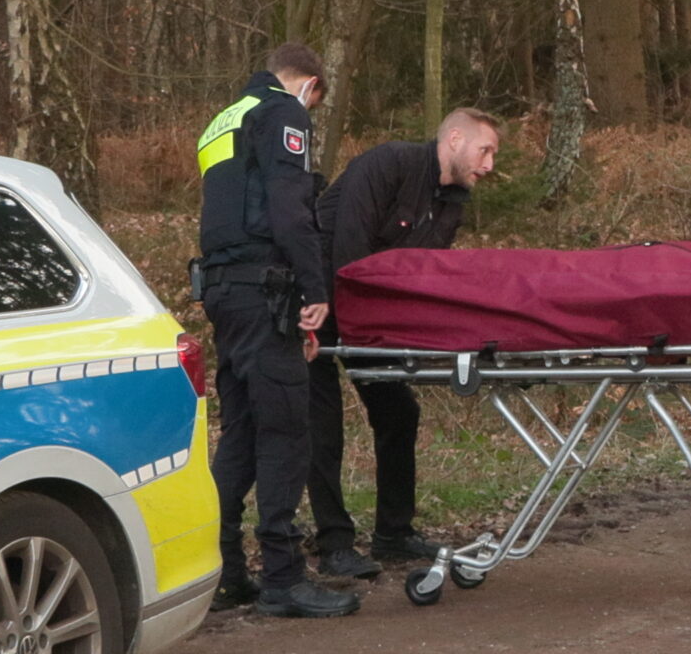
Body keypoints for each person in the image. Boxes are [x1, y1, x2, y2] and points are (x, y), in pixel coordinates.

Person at [194, 42, 359, 619]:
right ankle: (283, 578)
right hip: (264, 290)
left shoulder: (224, 118)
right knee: (288, 426)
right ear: (308, 85)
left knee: (240, 428)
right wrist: (315, 291)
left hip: (221, 289)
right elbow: (291, 207)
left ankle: (223, 571)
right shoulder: (284, 110)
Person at [305, 107, 502, 579]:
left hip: (371, 315)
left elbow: (426, 276)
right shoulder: (387, 165)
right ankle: (334, 543)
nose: (490, 165)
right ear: (454, 139)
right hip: (318, 303)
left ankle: (393, 533)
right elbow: (348, 251)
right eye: (485, 150)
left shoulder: (452, 201)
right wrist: (360, 329)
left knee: (398, 411)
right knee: (322, 423)